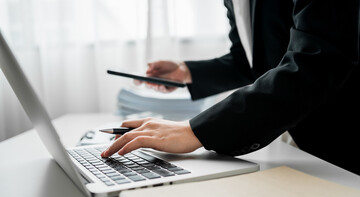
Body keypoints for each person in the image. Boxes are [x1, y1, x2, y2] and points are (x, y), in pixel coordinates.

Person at [102, 0, 360, 175]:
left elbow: (315, 62)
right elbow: (250, 60)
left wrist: (195, 130)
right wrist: (187, 71)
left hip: (343, 141)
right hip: (299, 141)